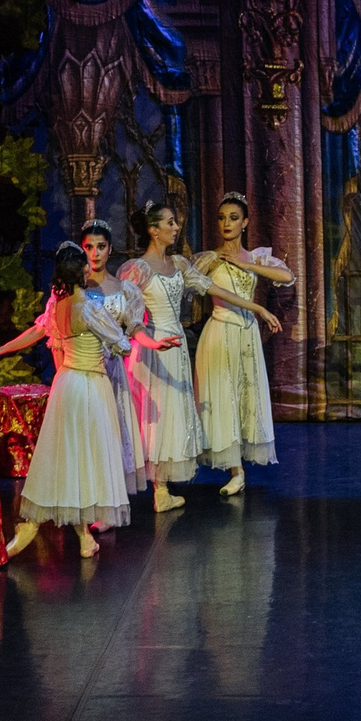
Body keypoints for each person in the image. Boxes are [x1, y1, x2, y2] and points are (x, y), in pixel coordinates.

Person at [0, 243, 168, 558]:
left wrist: (0, 349)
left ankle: (83, 538)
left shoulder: (57, 307)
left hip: (65, 385)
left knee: (69, 460)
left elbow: (38, 331)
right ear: (83, 271)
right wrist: (123, 335)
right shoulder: (89, 308)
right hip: (90, 386)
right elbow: (120, 344)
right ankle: (76, 535)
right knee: (86, 461)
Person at [193, 191, 290, 496]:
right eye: (222, 218)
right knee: (223, 397)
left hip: (246, 335)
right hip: (220, 331)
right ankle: (235, 470)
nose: (227, 224)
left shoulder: (255, 256)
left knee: (244, 395)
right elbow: (191, 283)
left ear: (245, 222)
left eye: (234, 218)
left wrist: (246, 264)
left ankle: (241, 467)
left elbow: (287, 275)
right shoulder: (210, 258)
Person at [119, 199, 207, 512]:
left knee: (171, 411)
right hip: (152, 345)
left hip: (176, 344)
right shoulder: (137, 269)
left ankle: (162, 487)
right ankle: (156, 486)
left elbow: (208, 287)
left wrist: (254, 306)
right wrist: (148, 343)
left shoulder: (178, 264)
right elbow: (125, 315)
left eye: (175, 222)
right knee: (152, 414)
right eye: (169, 223)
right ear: (154, 231)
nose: (176, 227)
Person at [76, 218, 154, 503]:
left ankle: (109, 500)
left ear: (110, 250)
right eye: (88, 247)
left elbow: (135, 328)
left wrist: (154, 342)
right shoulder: (76, 290)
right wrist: (1, 349)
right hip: (85, 370)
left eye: (101, 246)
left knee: (111, 431)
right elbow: (47, 325)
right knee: (87, 433)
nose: (94, 253)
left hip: (112, 371)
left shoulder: (125, 290)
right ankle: (87, 496)